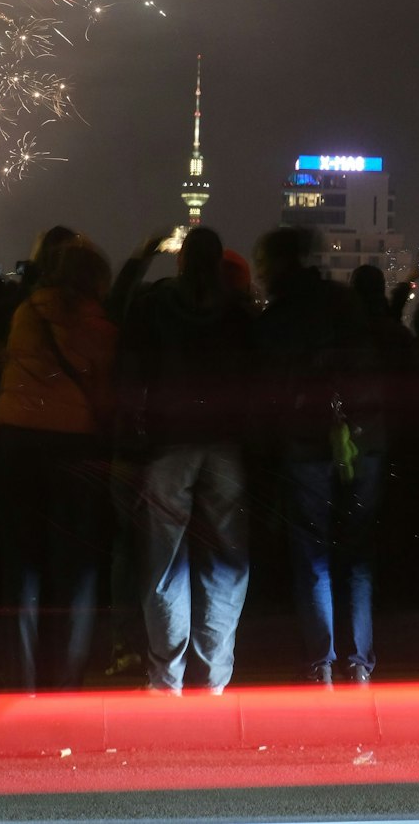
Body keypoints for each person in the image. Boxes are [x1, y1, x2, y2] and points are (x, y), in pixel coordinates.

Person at [119, 226, 256, 694]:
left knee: (164, 564)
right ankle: (213, 678)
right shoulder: (238, 312)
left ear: (180, 262)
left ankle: (165, 679)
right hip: (225, 444)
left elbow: (129, 364)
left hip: (168, 442)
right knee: (225, 563)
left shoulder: (155, 305)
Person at [254, 231, 383, 687]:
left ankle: (321, 662)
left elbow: (268, 389)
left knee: (313, 556)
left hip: (305, 444)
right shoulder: (344, 303)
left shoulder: (278, 318)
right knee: (357, 556)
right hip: (360, 440)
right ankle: (360, 662)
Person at [0, 235, 118, 691]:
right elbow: (104, 398)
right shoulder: (101, 329)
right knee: (76, 568)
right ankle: (65, 679)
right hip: (74, 450)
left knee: (22, 565)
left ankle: (21, 678)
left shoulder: (26, 315)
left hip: (18, 444)